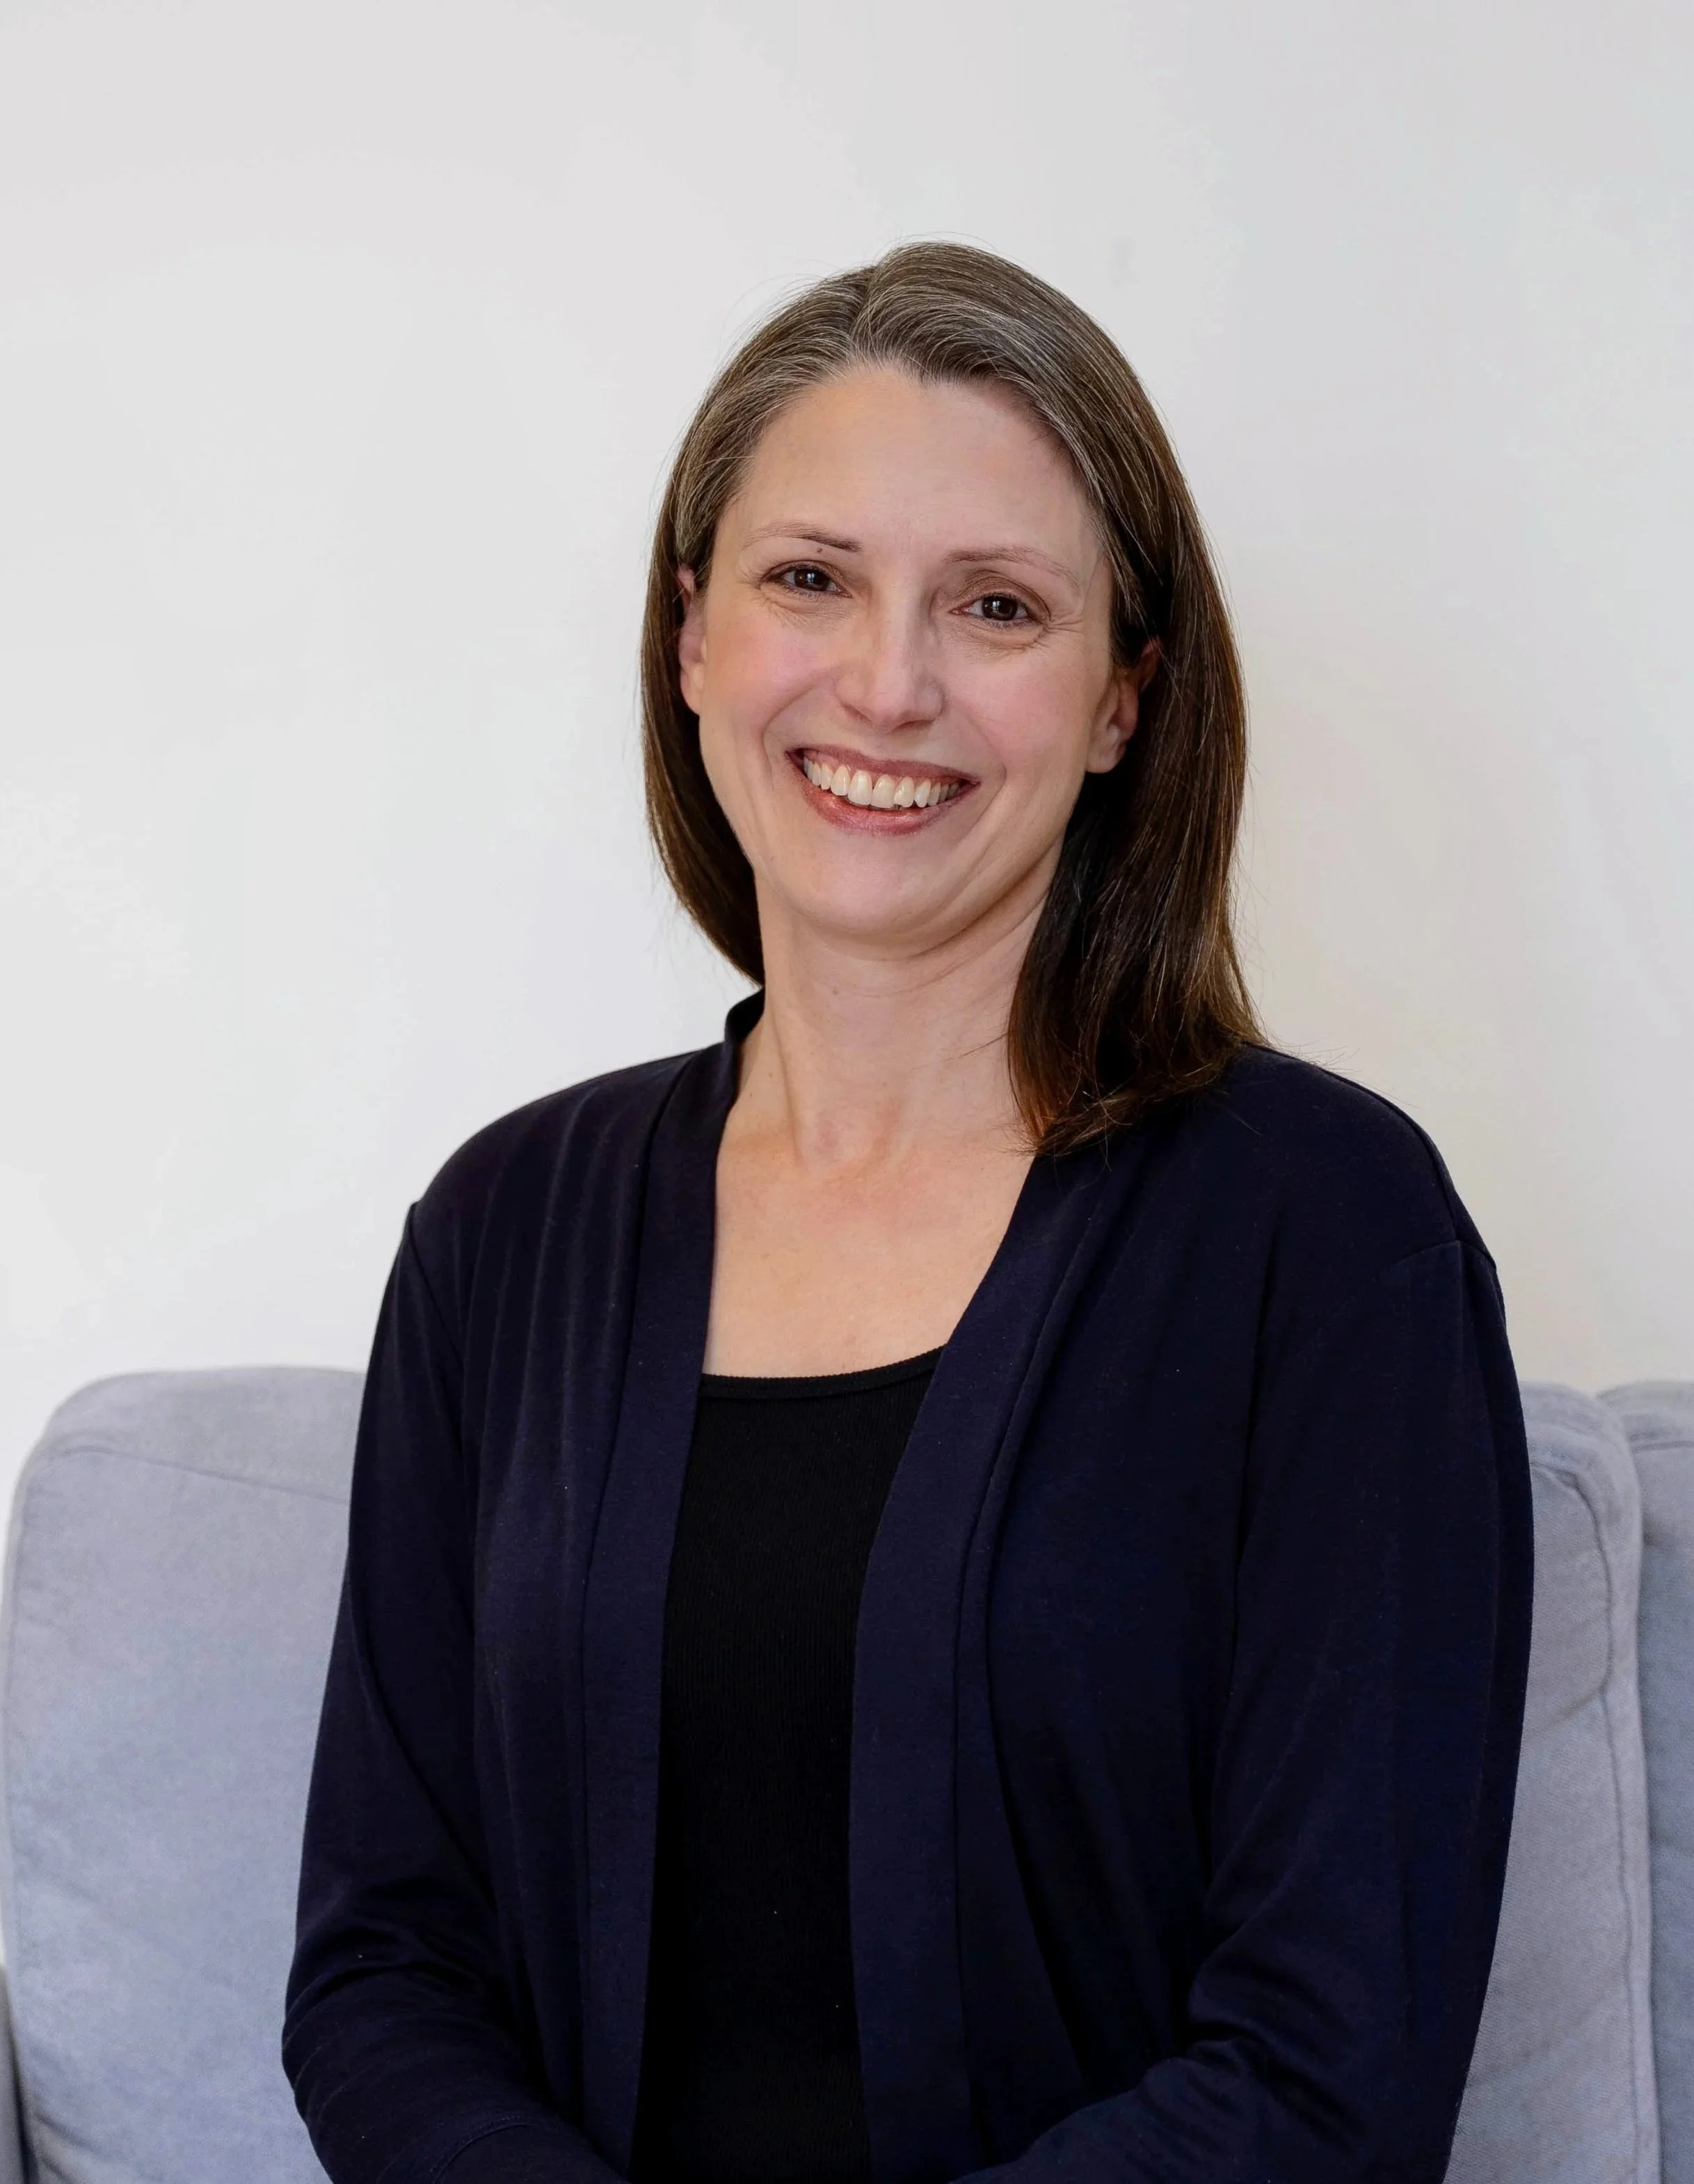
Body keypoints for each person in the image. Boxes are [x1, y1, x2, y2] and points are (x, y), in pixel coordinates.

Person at [283, 242, 1533, 2184]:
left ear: (1126, 699)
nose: (889, 681)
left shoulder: (1332, 1235)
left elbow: (1330, 2061)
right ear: (692, 637)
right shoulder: (499, 1232)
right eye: (810, 580)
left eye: (998, 606)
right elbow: (380, 1963)